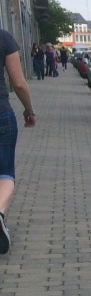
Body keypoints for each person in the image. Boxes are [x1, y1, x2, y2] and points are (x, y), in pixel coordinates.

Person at [0, 27, 36, 254]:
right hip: (1, 115)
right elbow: (20, 84)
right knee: (5, 174)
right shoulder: (4, 38)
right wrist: (29, 111)